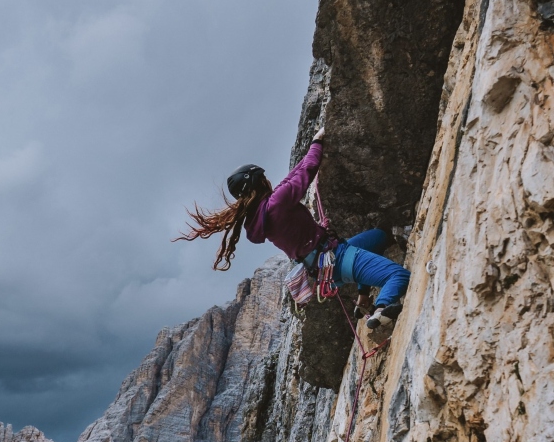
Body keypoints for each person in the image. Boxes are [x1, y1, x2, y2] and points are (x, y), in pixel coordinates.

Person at [175, 128, 410, 329]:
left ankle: (362, 298)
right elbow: (307, 170)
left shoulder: (262, 217)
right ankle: (382, 309)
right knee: (398, 275)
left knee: (378, 237)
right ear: (260, 183)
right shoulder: (277, 203)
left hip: (326, 267)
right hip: (337, 257)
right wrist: (318, 142)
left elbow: (289, 180)